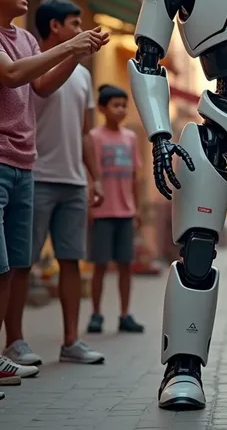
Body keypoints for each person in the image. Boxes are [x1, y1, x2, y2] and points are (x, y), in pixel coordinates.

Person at [0, 0, 108, 392]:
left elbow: (40, 85)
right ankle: (15, 342)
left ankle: (15, 352)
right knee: (7, 264)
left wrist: (77, 51)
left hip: (24, 164)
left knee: (13, 266)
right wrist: (69, 47)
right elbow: (10, 76)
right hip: (6, 162)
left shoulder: (25, 38)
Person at [87, 84, 145, 334]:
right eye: (115, 105)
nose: (121, 110)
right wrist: (89, 206)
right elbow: (89, 174)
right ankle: (96, 314)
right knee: (100, 265)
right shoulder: (94, 137)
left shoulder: (130, 138)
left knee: (125, 265)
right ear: (102, 108)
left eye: (124, 105)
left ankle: (124, 314)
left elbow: (134, 177)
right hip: (101, 212)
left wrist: (137, 209)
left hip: (125, 212)